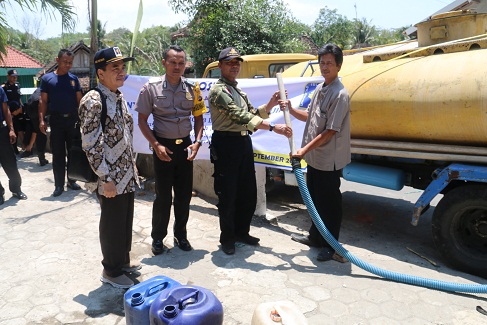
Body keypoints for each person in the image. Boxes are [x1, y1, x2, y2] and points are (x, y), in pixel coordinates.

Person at [208, 47, 292, 255]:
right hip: (226, 145)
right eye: (229, 62)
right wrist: (273, 127)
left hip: (243, 143)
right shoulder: (219, 91)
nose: (234, 66)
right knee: (227, 193)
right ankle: (227, 238)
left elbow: (252, 113)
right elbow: (240, 117)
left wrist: (271, 104)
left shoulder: (237, 91)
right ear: (220, 66)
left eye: (237, 62)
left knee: (247, 191)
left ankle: (241, 232)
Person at [279, 44, 351, 263]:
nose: (325, 66)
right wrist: (290, 109)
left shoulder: (340, 94)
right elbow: (310, 116)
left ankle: (331, 245)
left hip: (329, 160)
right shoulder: (321, 89)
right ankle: (314, 237)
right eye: (322, 62)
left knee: (329, 203)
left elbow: (330, 131)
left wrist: (302, 151)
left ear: (338, 65)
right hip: (314, 158)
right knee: (314, 199)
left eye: (330, 63)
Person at [78, 46, 140, 289]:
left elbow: (124, 135)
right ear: (100, 73)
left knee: (124, 221)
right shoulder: (94, 100)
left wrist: (132, 168)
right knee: (112, 224)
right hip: (111, 177)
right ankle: (111, 271)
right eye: (115, 67)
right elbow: (91, 144)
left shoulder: (118, 96)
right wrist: (105, 178)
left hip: (126, 174)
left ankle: (122, 262)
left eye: (123, 67)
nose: (121, 71)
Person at [135, 45, 205, 255]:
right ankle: (158, 238)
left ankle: (180, 235)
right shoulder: (151, 88)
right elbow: (141, 120)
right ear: (164, 63)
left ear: (186, 65)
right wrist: (156, 145)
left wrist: (197, 142)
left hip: (185, 147)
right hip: (162, 148)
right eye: (173, 62)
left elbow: (199, 118)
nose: (177, 66)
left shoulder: (193, 89)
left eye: (181, 63)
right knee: (163, 197)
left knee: (184, 196)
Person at [39, 49, 83, 197]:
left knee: (73, 152)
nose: (68, 65)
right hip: (56, 121)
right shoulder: (47, 79)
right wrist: (41, 120)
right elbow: (43, 101)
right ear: (57, 60)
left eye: (70, 63)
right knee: (58, 154)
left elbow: (80, 101)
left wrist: (84, 119)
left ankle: (72, 180)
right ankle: (58, 185)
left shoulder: (74, 79)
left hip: (72, 121)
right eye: (65, 62)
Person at [0, 86, 27, 205]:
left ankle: (16, 189)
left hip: (1, 130)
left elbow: (6, 111)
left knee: (10, 162)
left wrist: (11, 129)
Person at [1, 69, 24, 155]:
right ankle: (14, 149)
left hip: (18, 110)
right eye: (13, 76)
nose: (15, 78)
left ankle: (24, 146)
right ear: (8, 76)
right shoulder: (4, 87)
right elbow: (4, 103)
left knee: (20, 128)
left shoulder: (17, 85)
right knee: (12, 130)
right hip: (10, 113)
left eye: (16, 76)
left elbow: (19, 99)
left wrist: (21, 109)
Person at [24, 86, 48, 166]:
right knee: (42, 133)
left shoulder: (39, 89)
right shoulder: (47, 89)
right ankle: (42, 158)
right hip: (37, 108)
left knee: (39, 132)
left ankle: (41, 157)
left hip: (31, 110)